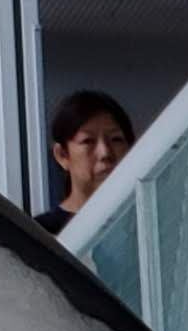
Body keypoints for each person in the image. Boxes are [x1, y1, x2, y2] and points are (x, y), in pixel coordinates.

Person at [38, 89, 133, 235]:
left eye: (116, 139)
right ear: (62, 155)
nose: (105, 153)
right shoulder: (41, 233)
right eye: (88, 141)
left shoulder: (148, 222)